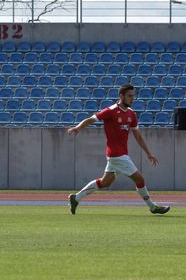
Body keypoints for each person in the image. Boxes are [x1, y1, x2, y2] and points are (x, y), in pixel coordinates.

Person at [66, 84, 170, 215]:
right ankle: (153, 207)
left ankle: (76, 198)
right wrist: (78, 128)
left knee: (105, 182)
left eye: (133, 96)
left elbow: (137, 135)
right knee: (140, 179)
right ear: (121, 96)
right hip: (117, 155)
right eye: (129, 96)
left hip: (118, 155)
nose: (132, 99)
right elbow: (92, 119)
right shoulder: (110, 111)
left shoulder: (131, 114)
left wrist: (148, 153)